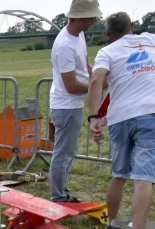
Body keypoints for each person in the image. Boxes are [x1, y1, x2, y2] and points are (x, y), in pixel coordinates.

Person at [88, 12, 155, 229]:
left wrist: (93, 117)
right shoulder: (153, 40)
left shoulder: (107, 51)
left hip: (121, 117)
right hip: (150, 115)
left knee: (119, 174)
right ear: (132, 27)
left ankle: (111, 225)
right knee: (144, 178)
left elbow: (97, 79)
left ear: (109, 34)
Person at [48, 0, 103, 203]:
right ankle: (59, 196)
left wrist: (96, 77)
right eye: (92, 17)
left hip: (71, 106)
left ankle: (61, 191)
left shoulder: (78, 35)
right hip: (66, 106)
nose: (94, 20)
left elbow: (85, 64)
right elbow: (70, 85)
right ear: (81, 17)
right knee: (63, 154)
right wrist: (96, 86)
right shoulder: (64, 45)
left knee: (68, 151)